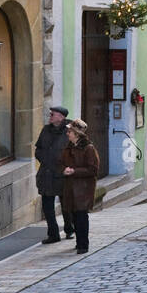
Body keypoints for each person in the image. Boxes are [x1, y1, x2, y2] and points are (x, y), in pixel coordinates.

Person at [34, 105, 73, 243]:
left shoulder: (70, 130)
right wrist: (45, 160)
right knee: (47, 206)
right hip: (46, 174)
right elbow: (38, 149)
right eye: (50, 114)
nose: (50, 116)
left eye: (53, 114)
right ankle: (53, 234)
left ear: (61, 117)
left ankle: (69, 229)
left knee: (66, 205)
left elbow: (74, 152)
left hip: (63, 174)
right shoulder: (46, 130)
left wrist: (64, 166)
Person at [60, 119, 99, 254]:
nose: (67, 134)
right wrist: (63, 170)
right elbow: (61, 163)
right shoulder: (68, 147)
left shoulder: (88, 149)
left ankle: (83, 244)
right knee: (74, 216)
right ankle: (78, 242)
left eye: (70, 131)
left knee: (81, 216)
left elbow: (93, 169)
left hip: (83, 188)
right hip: (71, 187)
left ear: (77, 134)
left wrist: (74, 171)